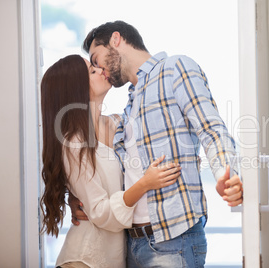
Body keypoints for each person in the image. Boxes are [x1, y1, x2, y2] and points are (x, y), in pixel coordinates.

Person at [70, 20, 244, 267]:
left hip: (173, 242)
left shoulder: (175, 68)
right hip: (131, 244)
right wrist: (77, 197)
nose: (100, 70)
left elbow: (212, 129)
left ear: (116, 40)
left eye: (97, 59)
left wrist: (226, 174)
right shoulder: (129, 108)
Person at [40, 54, 182, 268]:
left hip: (118, 256)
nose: (100, 70)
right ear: (74, 88)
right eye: (91, 71)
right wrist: (145, 184)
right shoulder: (73, 142)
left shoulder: (118, 124)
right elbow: (100, 212)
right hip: (85, 260)